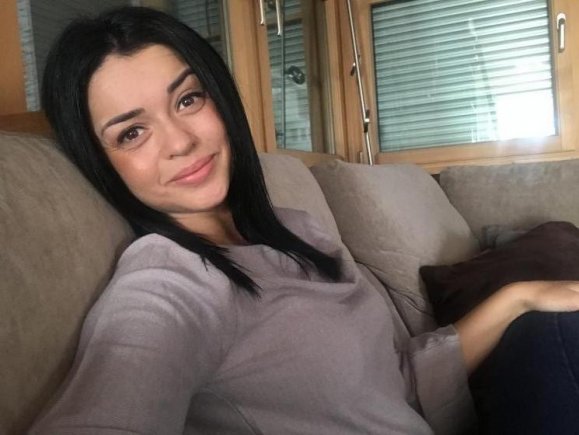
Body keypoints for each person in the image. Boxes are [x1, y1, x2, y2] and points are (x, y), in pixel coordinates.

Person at [30, 6, 579, 435]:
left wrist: (519, 298)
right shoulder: (168, 283)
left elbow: (392, 384)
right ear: (101, 163)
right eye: (132, 132)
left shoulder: (298, 231)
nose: (180, 141)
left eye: (188, 99)